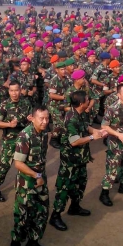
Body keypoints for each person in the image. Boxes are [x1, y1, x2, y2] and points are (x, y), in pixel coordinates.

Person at [49, 90, 106, 231]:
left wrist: (96, 131)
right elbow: (74, 142)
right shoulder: (71, 118)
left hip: (80, 158)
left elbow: (86, 126)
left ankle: (75, 207)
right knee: (64, 187)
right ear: (81, 103)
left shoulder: (80, 114)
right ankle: (55, 216)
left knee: (80, 183)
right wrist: (93, 138)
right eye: (87, 99)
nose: (89, 101)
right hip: (70, 161)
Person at [9, 105, 51, 246]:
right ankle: (15, 245)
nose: (45, 121)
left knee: (42, 211)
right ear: (33, 118)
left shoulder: (44, 133)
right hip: (27, 183)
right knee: (23, 215)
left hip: (40, 180)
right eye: (41, 118)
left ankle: (33, 243)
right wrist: (36, 175)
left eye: (47, 118)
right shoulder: (24, 136)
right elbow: (18, 164)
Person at [99, 83, 123, 207]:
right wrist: (118, 134)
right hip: (116, 144)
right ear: (118, 95)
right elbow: (104, 126)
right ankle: (104, 194)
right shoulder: (112, 108)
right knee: (113, 169)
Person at [0, 81, 32, 202]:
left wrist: (31, 119)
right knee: (4, 164)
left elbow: (31, 117)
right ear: (8, 91)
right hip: (10, 140)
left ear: (20, 90)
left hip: (24, 139)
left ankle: (27, 187)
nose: (14, 93)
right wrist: (8, 124)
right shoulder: (4, 105)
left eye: (16, 90)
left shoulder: (26, 102)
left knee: (27, 163)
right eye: (11, 90)